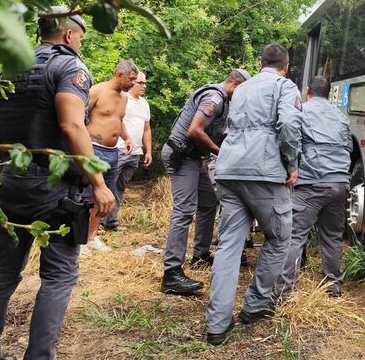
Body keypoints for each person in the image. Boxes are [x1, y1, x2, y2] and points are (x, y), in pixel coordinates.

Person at [0, 7, 115, 359]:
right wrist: (98, 182)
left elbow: (1, 125)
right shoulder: (70, 66)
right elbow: (71, 126)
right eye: (80, 36)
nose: (81, 42)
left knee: (4, 271)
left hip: (12, 179)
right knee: (58, 276)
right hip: (53, 188)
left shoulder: (13, 67)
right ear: (69, 35)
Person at [206, 43, 302, 345]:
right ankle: (256, 305)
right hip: (264, 172)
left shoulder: (242, 88)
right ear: (285, 67)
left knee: (229, 246)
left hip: (229, 169)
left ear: (260, 64)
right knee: (279, 237)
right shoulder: (285, 86)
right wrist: (292, 164)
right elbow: (288, 123)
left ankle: (217, 326)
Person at [160, 68, 250, 295]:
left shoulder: (224, 100)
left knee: (209, 201)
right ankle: (171, 274)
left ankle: (200, 255)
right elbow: (195, 131)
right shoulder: (215, 97)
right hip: (181, 156)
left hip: (193, 158)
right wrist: (221, 152)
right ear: (236, 85)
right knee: (184, 211)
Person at [273, 76, 352, 299]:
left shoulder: (302, 111)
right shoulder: (341, 116)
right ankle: (333, 286)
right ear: (329, 93)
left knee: (294, 236)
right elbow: (347, 146)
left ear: (307, 91)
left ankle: (283, 292)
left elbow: (289, 134)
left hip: (312, 183)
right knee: (333, 236)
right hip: (339, 182)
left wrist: (291, 165)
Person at [81, 60, 138, 253]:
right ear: (119, 75)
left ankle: (92, 237)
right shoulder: (97, 91)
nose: (133, 83)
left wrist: (126, 137)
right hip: (93, 150)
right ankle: (79, 241)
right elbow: (79, 117)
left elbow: (118, 120)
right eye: (131, 79)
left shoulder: (124, 98)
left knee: (104, 198)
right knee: (88, 196)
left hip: (113, 153)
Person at [103, 71, 152, 231]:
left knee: (120, 187)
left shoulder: (144, 104)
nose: (143, 86)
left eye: (145, 83)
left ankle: (111, 222)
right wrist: (125, 139)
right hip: (118, 149)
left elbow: (146, 129)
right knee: (107, 186)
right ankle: (98, 224)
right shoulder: (123, 99)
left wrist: (148, 151)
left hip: (135, 153)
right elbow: (115, 121)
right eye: (140, 82)